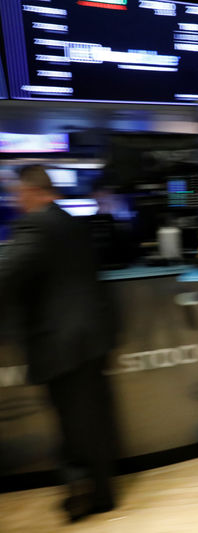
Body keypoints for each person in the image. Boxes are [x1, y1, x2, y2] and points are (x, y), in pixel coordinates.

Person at [0, 165, 118, 522]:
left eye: (18, 193)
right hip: (90, 338)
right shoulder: (69, 222)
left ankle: (84, 496)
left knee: (74, 425)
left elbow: (7, 271)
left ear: (34, 192)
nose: (16, 201)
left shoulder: (36, 225)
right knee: (92, 422)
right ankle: (101, 495)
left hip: (62, 344)